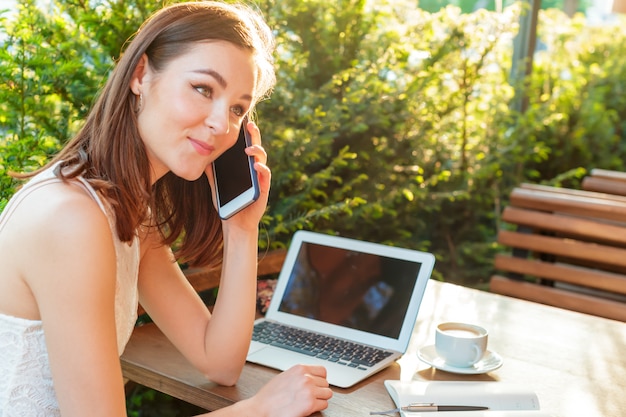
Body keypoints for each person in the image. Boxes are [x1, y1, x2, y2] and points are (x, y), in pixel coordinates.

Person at [0, 2, 332, 416]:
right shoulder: (72, 219)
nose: (221, 125)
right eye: (203, 89)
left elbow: (219, 361)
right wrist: (261, 410)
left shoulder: (128, 211)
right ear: (141, 75)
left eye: (237, 109)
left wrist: (242, 229)